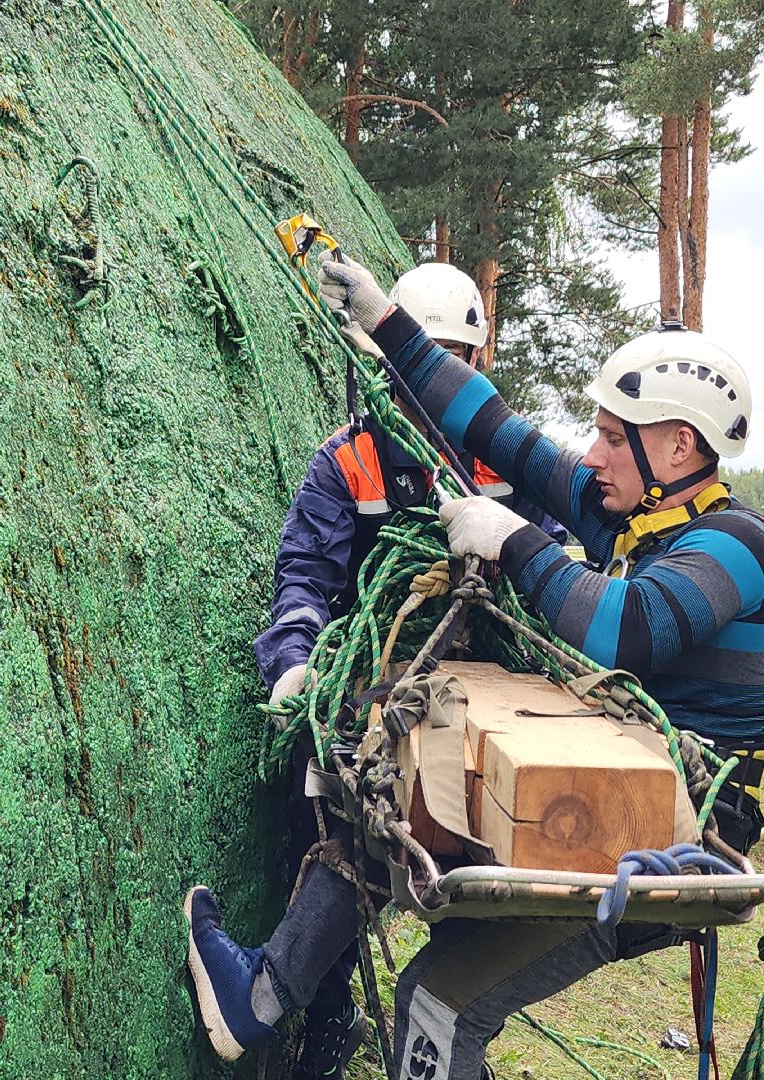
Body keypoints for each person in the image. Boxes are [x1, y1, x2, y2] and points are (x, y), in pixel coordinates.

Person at [184, 252, 764, 1080]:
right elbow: (499, 431)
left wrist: (513, 540)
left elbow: (626, 628)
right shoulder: (636, 518)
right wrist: (390, 327)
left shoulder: (737, 546)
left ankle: (261, 997)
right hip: (596, 799)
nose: (591, 453)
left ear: (678, 445)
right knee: (397, 801)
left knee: (440, 1001)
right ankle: (263, 995)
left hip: (662, 833)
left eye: (613, 438)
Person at [250, 261, 541, 1080]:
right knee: (332, 825)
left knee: (478, 883)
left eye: (455, 357)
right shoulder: (350, 463)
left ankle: (445, 1019)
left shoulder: (506, 468)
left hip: (486, 702)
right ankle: (321, 1006)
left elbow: (556, 584)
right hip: (374, 700)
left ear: (475, 366)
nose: (435, 380)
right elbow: (306, 578)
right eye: (426, 354)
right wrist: (296, 664)